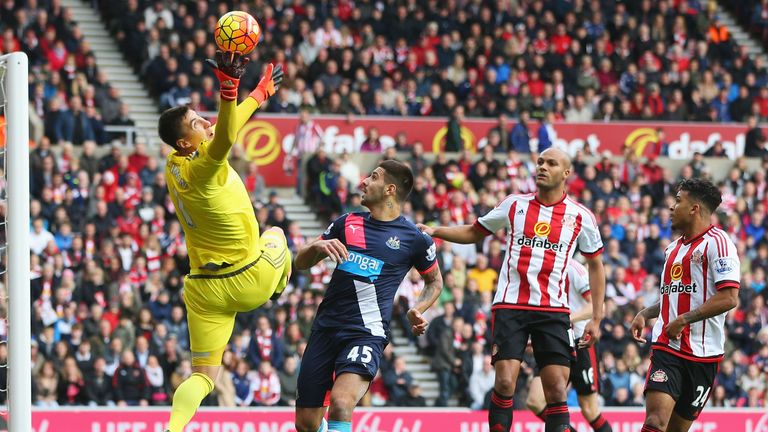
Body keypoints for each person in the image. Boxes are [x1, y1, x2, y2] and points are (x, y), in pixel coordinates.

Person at [419, 147, 606, 432]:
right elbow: (474, 231)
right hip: (510, 305)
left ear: (566, 173)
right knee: (505, 382)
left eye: (551, 163)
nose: (542, 166)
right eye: (540, 161)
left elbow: (596, 266)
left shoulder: (581, 216)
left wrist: (596, 318)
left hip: (553, 310)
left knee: (556, 388)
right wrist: (436, 231)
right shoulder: (514, 205)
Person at [156, 51, 287, 432]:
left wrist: (259, 95)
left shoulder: (175, 164)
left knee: (203, 377)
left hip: (202, 291)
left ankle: (173, 428)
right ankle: (278, 288)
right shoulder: (203, 168)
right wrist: (229, 89)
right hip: (248, 278)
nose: (207, 122)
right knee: (276, 234)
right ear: (185, 143)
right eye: (197, 122)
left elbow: (225, 130)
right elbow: (227, 132)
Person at [293, 160, 444, 432]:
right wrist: (318, 245)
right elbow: (300, 263)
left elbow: (434, 282)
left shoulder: (414, 238)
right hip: (325, 329)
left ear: (389, 189)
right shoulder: (346, 222)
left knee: (341, 402)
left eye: (372, 177)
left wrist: (418, 308)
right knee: (306, 424)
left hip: (366, 331)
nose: (363, 182)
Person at [630, 179, 740, 432]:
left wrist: (685, 319)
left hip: (704, 355)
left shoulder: (718, 243)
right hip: (668, 348)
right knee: (655, 421)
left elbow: (729, 297)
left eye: (678, 201)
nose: (671, 207)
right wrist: (646, 313)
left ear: (694, 208)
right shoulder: (672, 250)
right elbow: (673, 295)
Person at [527, 260, 613, 432]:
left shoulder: (574, 269)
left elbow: (597, 306)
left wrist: (567, 319)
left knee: (589, 410)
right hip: (555, 341)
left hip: (581, 343)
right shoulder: (538, 269)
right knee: (535, 401)